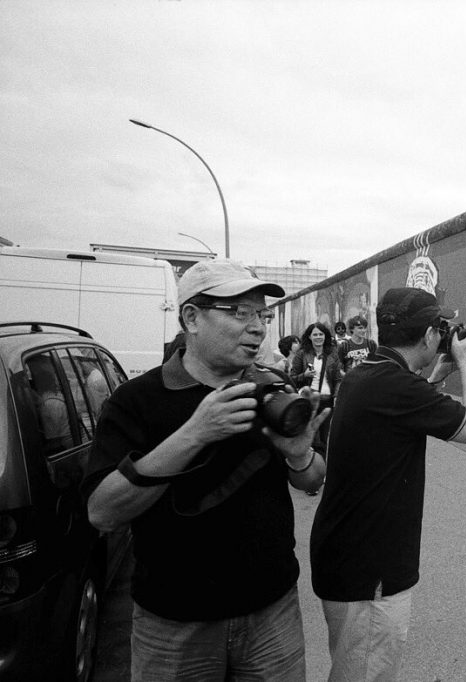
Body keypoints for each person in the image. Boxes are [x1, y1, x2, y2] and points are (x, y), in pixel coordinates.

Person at [82, 259, 329, 681]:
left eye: (262, 315)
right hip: (173, 623)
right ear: (192, 318)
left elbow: (312, 480)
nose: (258, 327)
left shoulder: (272, 387)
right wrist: (195, 433)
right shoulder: (136, 400)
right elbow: (102, 512)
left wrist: (299, 454)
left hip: (272, 611)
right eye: (240, 312)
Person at [310, 286, 466, 682]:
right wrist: (463, 363)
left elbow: (401, 405)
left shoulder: (367, 373)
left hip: (347, 559)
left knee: (352, 669)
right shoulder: (394, 386)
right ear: (428, 335)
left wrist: (434, 375)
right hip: (369, 572)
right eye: (439, 328)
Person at [290, 322, 342, 465]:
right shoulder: (302, 354)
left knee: (325, 438)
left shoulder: (332, 353)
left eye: (321, 334)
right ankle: (312, 470)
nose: (318, 337)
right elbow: (291, 378)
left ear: (325, 336)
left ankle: (322, 470)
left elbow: (338, 378)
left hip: (327, 400)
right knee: (313, 438)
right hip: (309, 401)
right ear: (310, 337)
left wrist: (337, 396)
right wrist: (304, 375)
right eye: (315, 334)